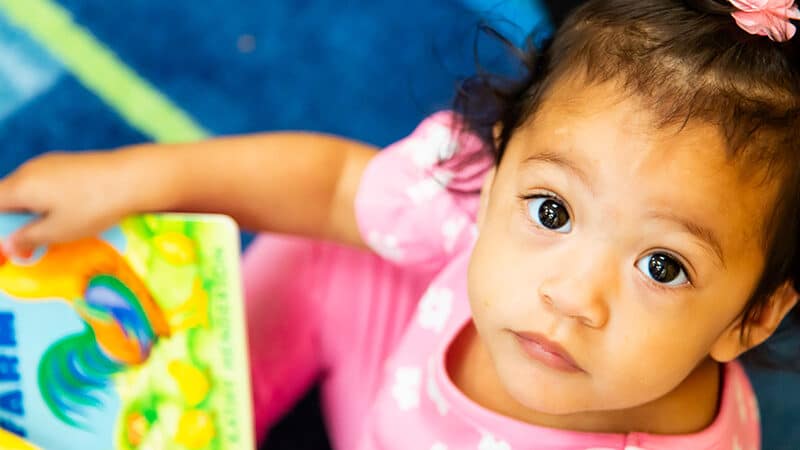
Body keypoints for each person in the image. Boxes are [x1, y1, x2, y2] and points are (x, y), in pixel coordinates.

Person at [0, 0, 798, 448]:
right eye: (552, 211)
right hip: (378, 362)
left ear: (752, 316)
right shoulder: (472, 196)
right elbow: (332, 182)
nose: (572, 295)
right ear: (494, 168)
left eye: (662, 265)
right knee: (320, 247)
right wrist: (136, 179)